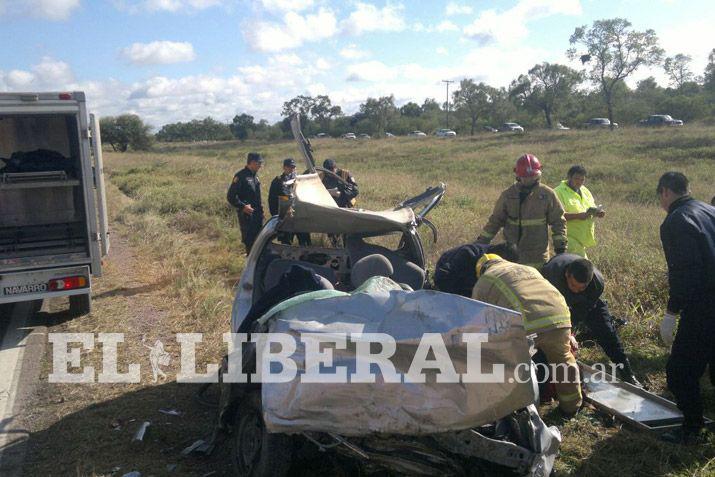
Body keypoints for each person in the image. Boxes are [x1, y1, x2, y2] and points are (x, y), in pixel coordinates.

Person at [472, 254, 582, 416]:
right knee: (563, 360)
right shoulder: (527, 268)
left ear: (481, 270)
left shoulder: (484, 281)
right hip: (559, 318)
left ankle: (523, 410)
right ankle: (571, 407)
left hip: (527, 325)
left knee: (516, 366)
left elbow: (478, 319)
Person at [656, 172, 715, 444]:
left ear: (666, 192)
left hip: (703, 306)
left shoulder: (676, 222)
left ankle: (692, 428)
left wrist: (671, 312)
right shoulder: (709, 210)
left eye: (660, 197)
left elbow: (684, 273)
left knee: (679, 372)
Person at [541, 254, 640, 385]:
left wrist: (572, 332)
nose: (576, 290)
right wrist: (567, 333)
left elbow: (581, 311)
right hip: (554, 302)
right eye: (573, 285)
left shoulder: (596, 283)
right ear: (567, 275)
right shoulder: (551, 276)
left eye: (581, 288)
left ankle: (628, 374)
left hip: (586, 302)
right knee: (554, 337)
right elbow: (550, 310)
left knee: (607, 332)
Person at [475, 154, 567, 269]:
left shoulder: (547, 194)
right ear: (518, 176)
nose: (528, 180)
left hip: (538, 257)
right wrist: (480, 244)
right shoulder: (508, 195)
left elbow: (558, 220)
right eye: (525, 177)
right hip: (512, 255)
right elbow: (495, 221)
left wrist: (560, 247)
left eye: (532, 176)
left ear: (538, 174)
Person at [553, 165, 604, 257]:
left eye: (582, 180)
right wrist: (578, 216)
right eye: (576, 179)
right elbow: (556, 216)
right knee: (584, 267)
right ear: (569, 177)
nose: (579, 182)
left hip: (582, 239)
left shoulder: (585, 190)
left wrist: (597, 213)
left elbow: (591, 208)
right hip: (569, 239)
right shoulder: (558, 192)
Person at [227, 152, 264, 255]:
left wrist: (261, 212)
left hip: (257, 215)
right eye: (259, 163)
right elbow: (231, 196)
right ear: (252, 162)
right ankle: (250, 265)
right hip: (247, 216)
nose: (260, 165)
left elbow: (257, 197)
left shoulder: (255, 177)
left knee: (259, 241)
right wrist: (242, 206)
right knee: (250, 241)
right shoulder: (240, 176)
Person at [268, 158, 310, 246]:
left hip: (298, 217)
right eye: (289, 167)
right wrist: (277, 217)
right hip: (285, 218)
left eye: (293, 167)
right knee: (286, 244)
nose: (291, 169)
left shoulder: (297, 180)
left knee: (304, 242)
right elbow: (275, 199)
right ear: (284, 168)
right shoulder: (278, 181)